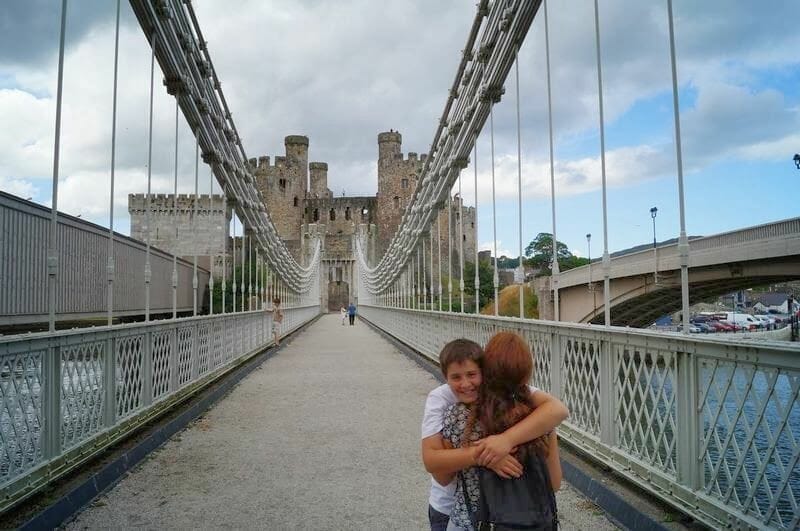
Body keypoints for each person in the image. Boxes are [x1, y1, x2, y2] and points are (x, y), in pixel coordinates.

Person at [420, 339, 568, 531]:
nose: (465, 383)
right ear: (527, 373)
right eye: (456, 377)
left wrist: (501, 443)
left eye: (472, 374)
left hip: (470, 520)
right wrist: (487, 455)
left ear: (486, 370)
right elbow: (554, 484)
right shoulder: (540, 420)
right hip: (530, 521)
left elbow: (442, 477)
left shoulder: (455, 417)